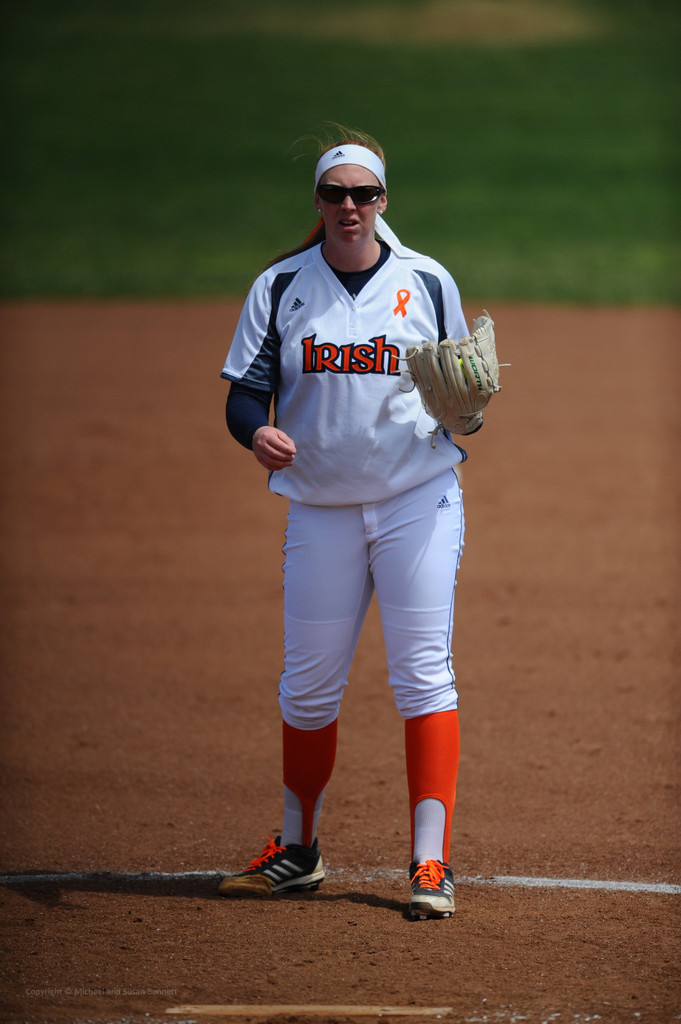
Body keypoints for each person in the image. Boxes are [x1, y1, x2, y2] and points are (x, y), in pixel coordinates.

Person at [218, 126, 482, 920]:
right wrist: (253, 431)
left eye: (363, 194)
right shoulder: (279, 286)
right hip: (319, 510)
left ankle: (429, 865)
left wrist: (468, 411)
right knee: (306, 688)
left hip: (416, 503)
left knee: (422, 675)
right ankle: (298, 851)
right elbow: (243, 392)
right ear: (319, 202)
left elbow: (461, 408)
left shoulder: (427, 281)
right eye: (335, 194)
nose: (348, 207)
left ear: (382, 202)